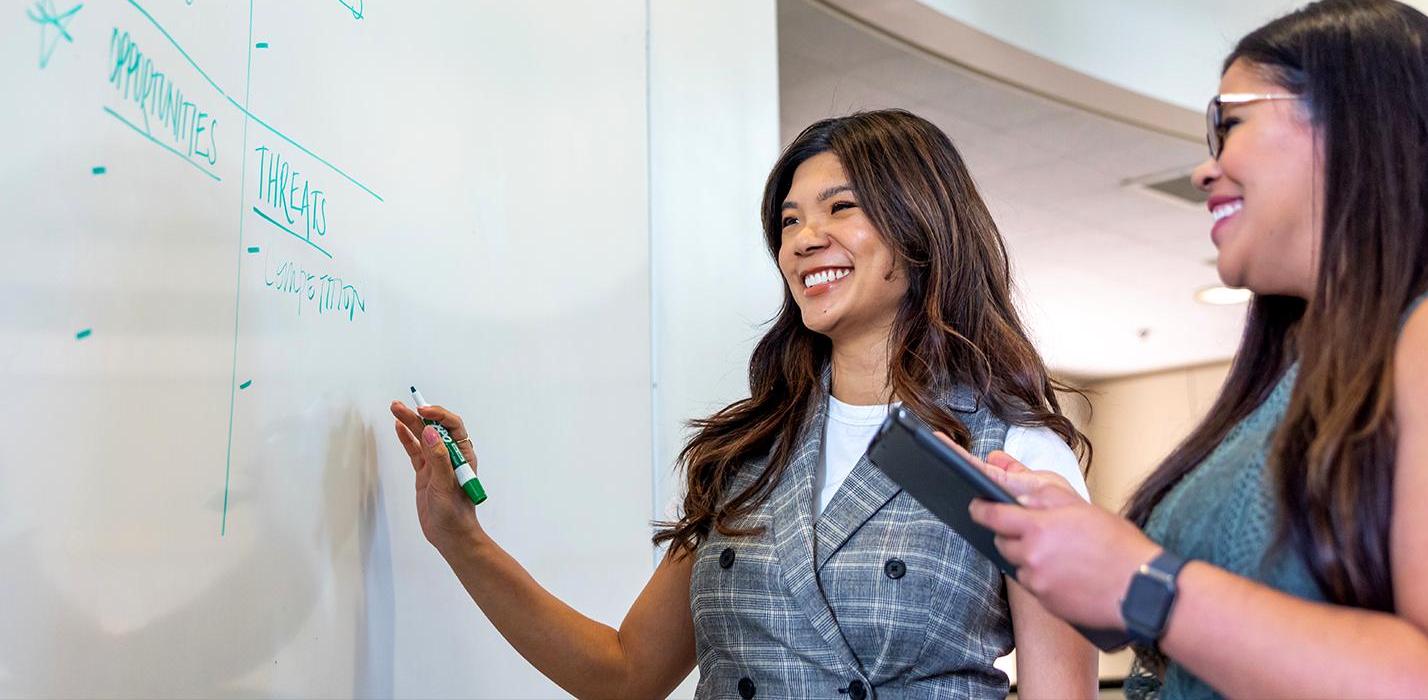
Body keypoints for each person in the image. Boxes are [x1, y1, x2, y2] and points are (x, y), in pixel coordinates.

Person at [391, 108, 1099, 699]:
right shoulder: (750, 449)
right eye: (788, 223)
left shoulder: (1015, 454)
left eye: (841, 208)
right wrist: (463, 539)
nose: (803, 241)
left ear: (922, 229)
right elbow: (625, 672)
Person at [964, 0, 1428, 699]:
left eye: (1229, 124)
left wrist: (1142, 582)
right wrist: (1097, 553)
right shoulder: (1304, 370)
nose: (1206, 170)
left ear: (1357, 123)